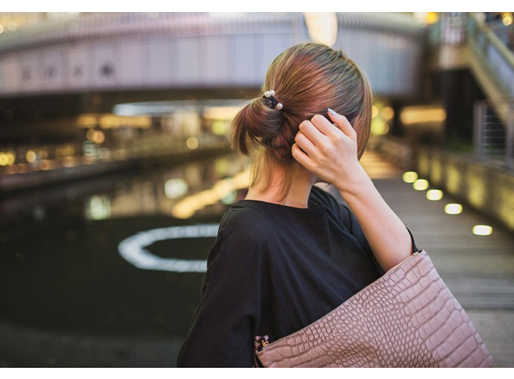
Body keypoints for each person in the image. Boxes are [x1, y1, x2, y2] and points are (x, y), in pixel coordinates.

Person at [176, 42, 419, 367]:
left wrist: (353, 178)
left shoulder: (326, 207)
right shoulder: (250, 234)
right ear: (331, 132)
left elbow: (408, 274)